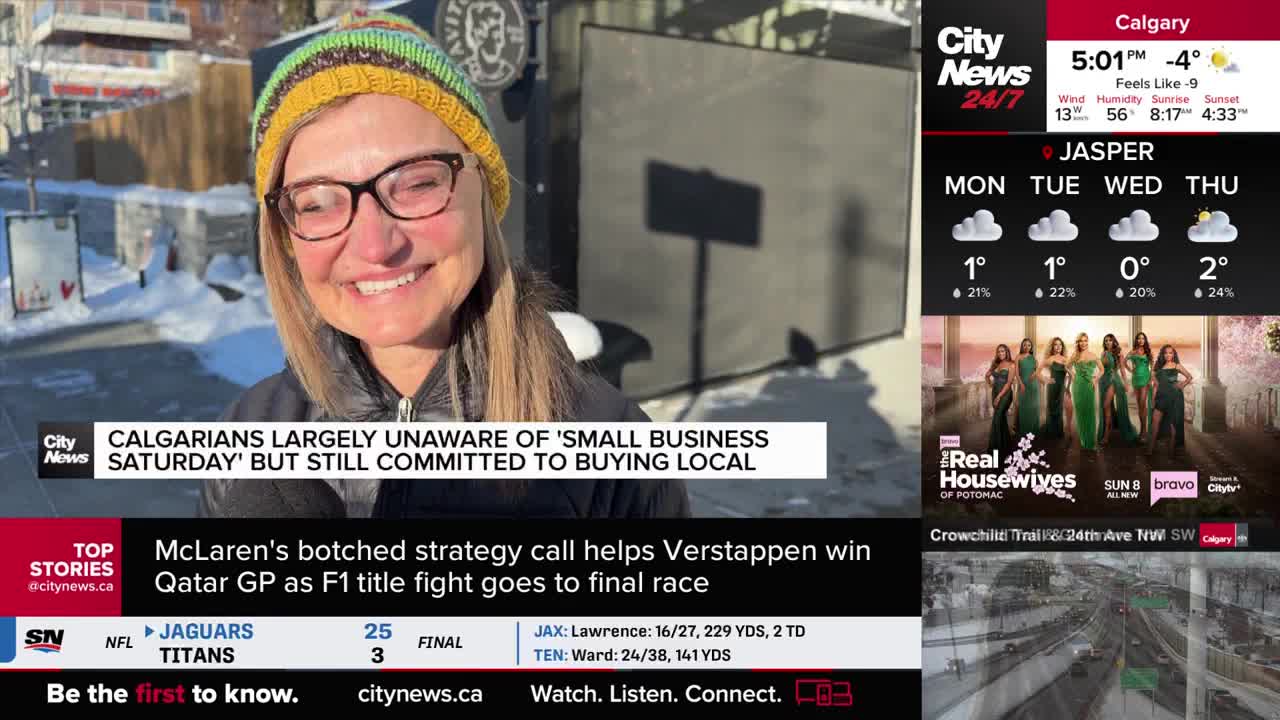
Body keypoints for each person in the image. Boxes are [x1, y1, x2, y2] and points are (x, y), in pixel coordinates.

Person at [198, 11, 691, 518]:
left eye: (417, 183)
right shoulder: (246, 451)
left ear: (481, 194)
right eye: (317, 202)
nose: (374, 246)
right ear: (285, 236)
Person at [1147, 345, 1193, 458]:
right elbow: (1155, 385)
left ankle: (1171, 451)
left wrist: (1181, 384)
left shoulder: (1177, 365)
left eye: (1171, 353)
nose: (1168, 355)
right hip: (1161, 397)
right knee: (1155, 422)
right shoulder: (1157, 368)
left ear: (1174, 354)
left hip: (1174, 397)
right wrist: (1153, 399)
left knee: (1173, 424)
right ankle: (1150, 448)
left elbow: (1189, 377)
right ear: (1162, 354)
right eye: (1166, 353)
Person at [1067, 333, 1099, 451]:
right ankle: (1084, 439)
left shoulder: (1093, 355)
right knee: (1080, 412)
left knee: (1089, 411)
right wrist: (1073, 375)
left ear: (1088, 342)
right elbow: (1067, 367)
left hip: (1089, 385)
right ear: (1078, 343)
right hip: (1078, 385)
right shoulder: (1075, 355)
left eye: (1085, 340)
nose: (1083, 343)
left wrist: (1095, 379)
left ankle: (1091, 441)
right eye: (1081, 341)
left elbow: (1102, 369)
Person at [1037, 337, 1071, 444]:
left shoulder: (1066, 359)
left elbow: (1070, 375)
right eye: (1056, 345)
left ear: (1062, 347)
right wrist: (1046, 379)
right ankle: (1050, 432)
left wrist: (1068, 387)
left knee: (1059, 409)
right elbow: (1038, 372)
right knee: (1051, 409)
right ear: (1052, 347)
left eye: (1060, 345)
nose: (1058, 347)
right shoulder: (1050, 359)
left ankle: (1058, 432)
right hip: (1052, 387)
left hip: (1061, 387)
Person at [985, 344, 1017, 455]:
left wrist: (999, 397)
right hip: (995, 393)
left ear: (1007, 352)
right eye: (999, 352)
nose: (1000, 353)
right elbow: (987, 375)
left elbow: (1008, 383)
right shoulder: (995, 364)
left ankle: (996, 450)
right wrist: (991, 385)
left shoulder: (1011, 365)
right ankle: (1005, 446)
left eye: (1003, 351)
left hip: (1005, 395)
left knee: (997, 418)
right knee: (1001, 419)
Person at [1014, 338, 1041, 439]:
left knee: (1034, 408)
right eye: (1024, 345)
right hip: (1023, 385)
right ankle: (1025, 430)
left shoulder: (1034, 359)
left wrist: (1037, 374)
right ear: (1022, 346)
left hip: (1033, 386)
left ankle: (1033, 431)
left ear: (1031, 347)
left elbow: (1037, 371)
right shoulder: (1018, 357)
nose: (1026, 347)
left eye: (1029, 345)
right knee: (1024, 407)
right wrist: (1021, 384)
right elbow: (1017, 373)